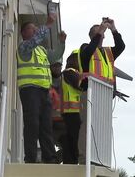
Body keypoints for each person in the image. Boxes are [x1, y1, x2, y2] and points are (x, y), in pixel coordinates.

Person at [17, 13, 67, 163]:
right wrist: (48, 25)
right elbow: (35, 40)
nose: (36, 30)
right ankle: (30, 159)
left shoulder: (42, 51)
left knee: (46, 126)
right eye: (32, 29)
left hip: (44, 92)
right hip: (30, 90)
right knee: (32, 124)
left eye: (36, 28)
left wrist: (62, 43)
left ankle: (50, 158)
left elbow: (56, 55)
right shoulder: (24, 47)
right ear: (24, 33)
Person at [77, 17, 125, 163]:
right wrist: (99, 31)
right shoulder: (85, 48)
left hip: (104, 95)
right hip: (89, 92)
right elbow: (89, 52)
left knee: (101, 126)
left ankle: (98, 159)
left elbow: (121, 46)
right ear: (95, 34)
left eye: (103, 34)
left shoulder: (107, 52)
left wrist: (113, 29)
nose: (103, 37)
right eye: (100, 33)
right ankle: (85, 158)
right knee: (87, 126)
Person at [61, 52, 83, 164]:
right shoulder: (69, 72)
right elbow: (80, 85)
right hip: (70, 112)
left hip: (72, 112)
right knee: (72, 139)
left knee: (72, 138)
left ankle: (71, 161)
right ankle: (71, 162)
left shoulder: (72, 73)